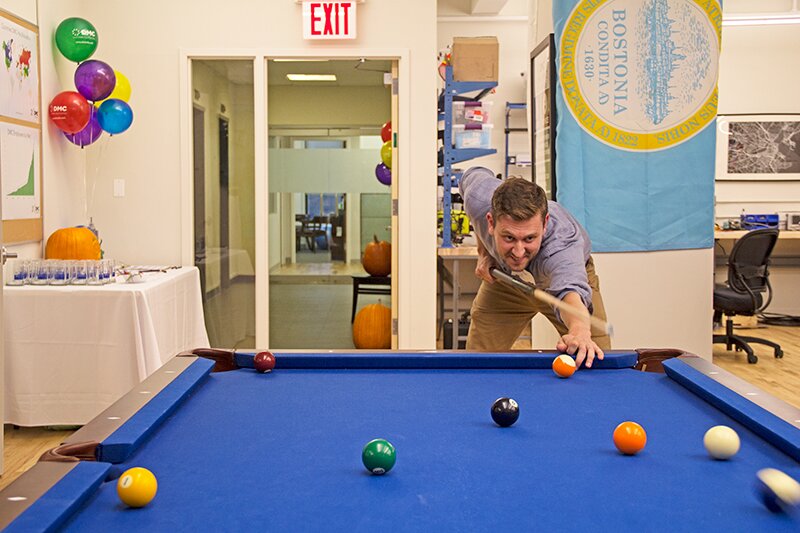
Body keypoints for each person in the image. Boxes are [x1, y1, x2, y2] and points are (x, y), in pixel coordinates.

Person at [459, 166, 610, 368]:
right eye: (509, 238)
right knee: (477, 361)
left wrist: (579, 329)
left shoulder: (561, 245)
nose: (519, 252)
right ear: (491, 222)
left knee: (594, 359)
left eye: (529, 238)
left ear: (545, 224)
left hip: (559, 291)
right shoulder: (478, 197)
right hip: (505, 283)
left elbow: (570, 291)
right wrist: (484, 252)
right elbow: (471, 173)